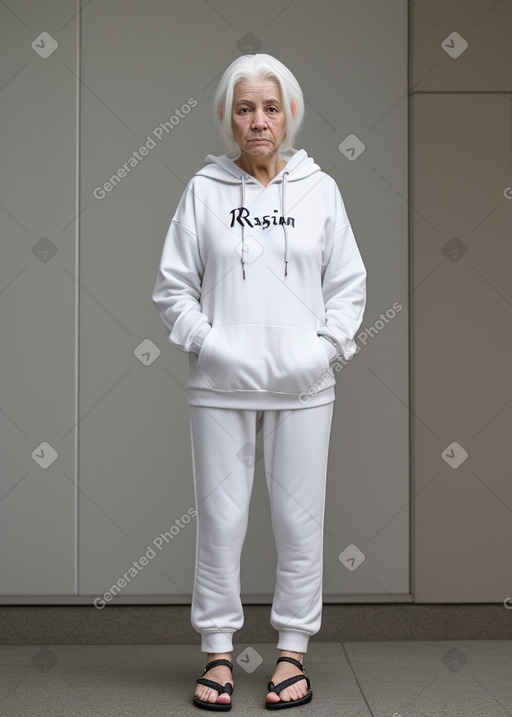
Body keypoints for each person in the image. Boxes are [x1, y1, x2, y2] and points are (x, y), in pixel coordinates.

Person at [152, 53, 367, 711]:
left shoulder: (319, 190)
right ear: (228, 116)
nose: (258, 120)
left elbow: (349, 286)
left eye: (270, 107)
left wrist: (322, 351)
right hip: (219, 386)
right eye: (245, 108)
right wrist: (212, 345)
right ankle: (217, 651)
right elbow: (172, 289)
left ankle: (292, 651)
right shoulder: (203, 191)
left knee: (299, 522)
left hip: (303, 387)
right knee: (220, 518)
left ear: (289, 112)